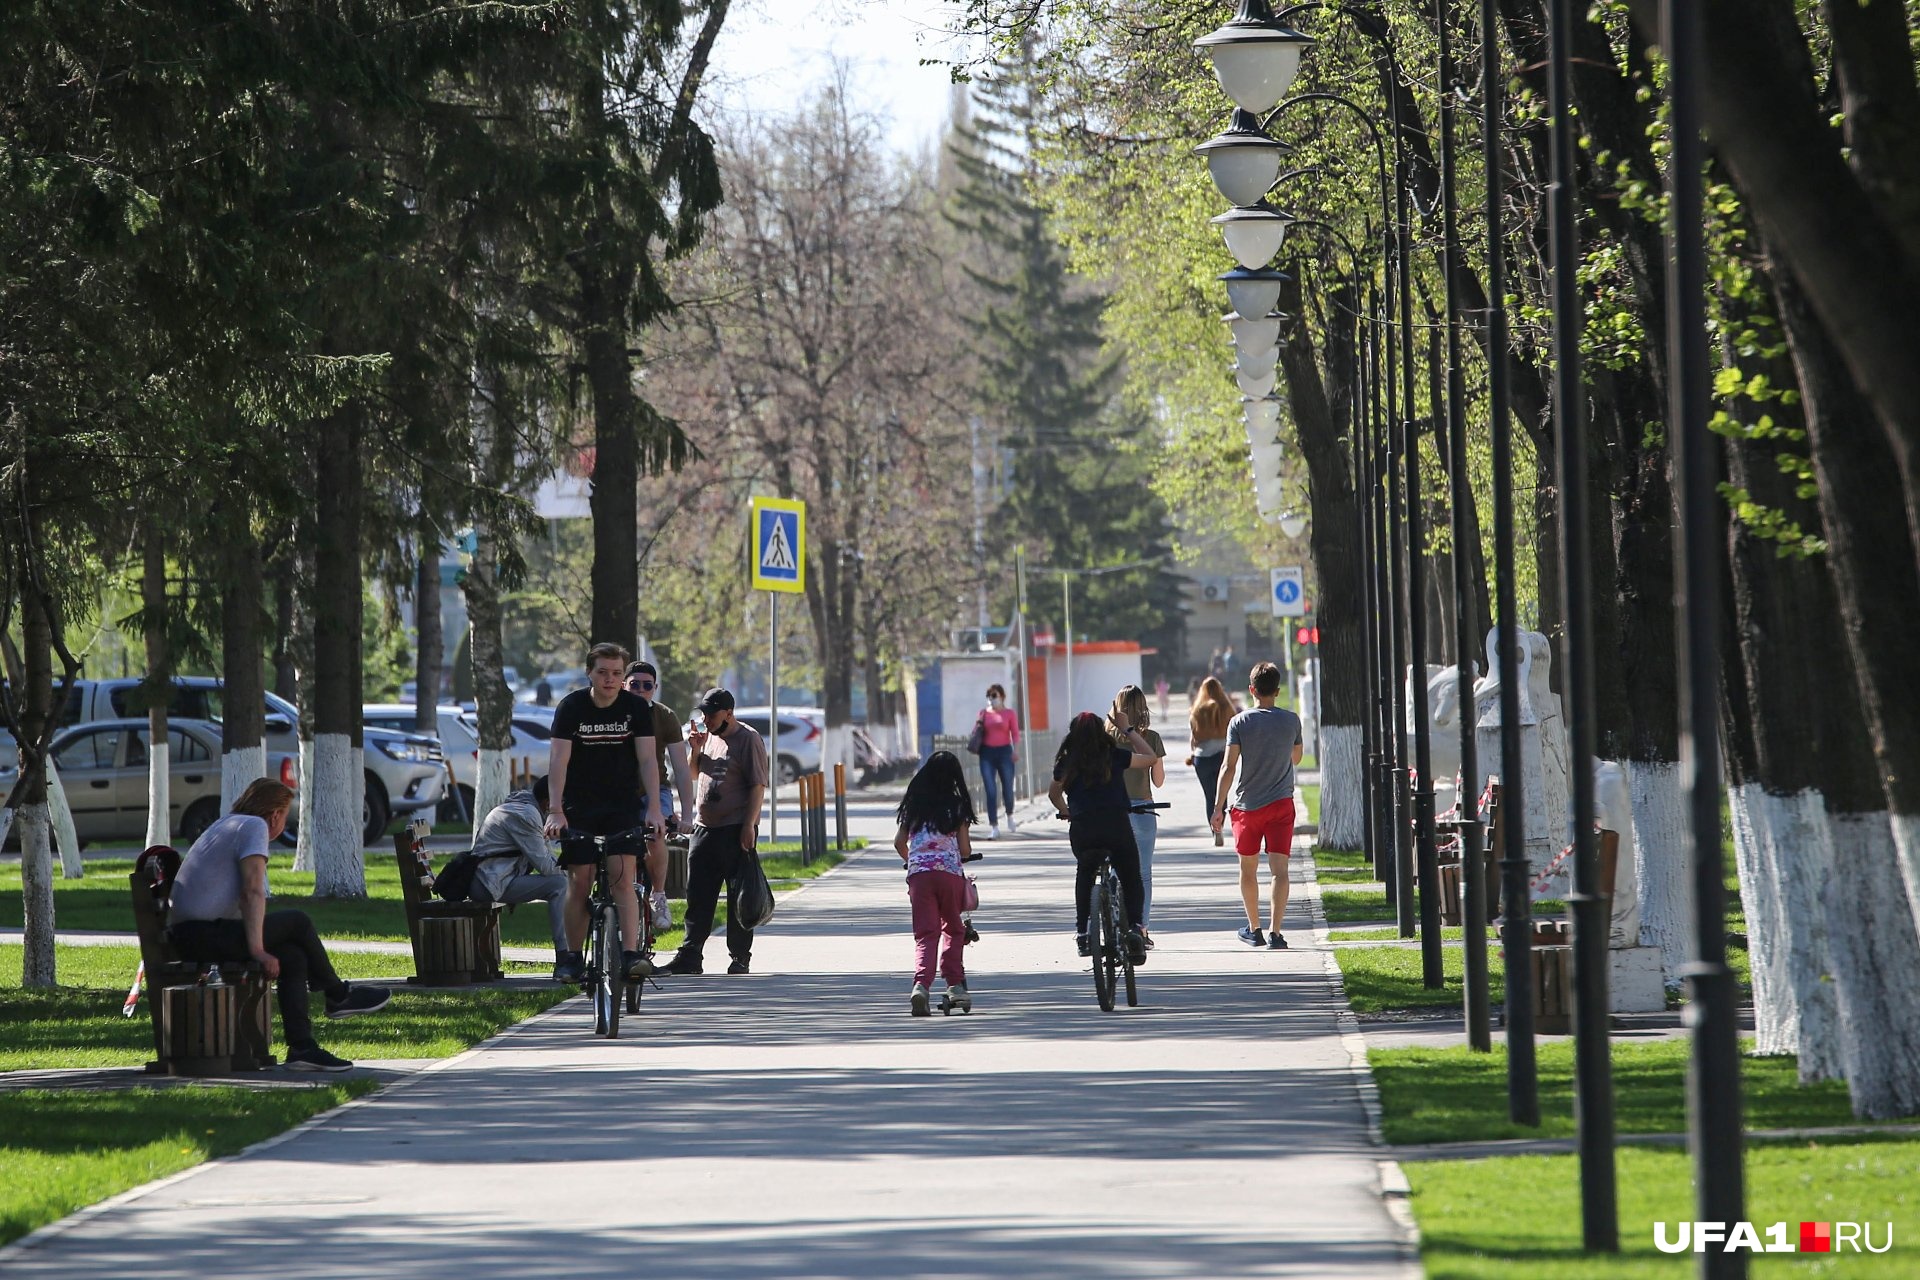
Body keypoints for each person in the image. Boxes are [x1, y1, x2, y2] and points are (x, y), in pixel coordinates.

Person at [167, 779, 389, 1072]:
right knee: (298, 921)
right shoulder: (253, 827)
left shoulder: (228, 823)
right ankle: (338, 995)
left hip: (193, 934)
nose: (284, 822)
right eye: (285, 816)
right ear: (274, 815)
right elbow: (252, 891)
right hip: (200, 935)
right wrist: (258, 950)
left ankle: (302, 1048)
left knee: (293, 956)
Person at [544, 642, 664, 984]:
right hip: (579, 805)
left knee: (621, 877)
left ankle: (630, 955)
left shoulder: (635, 709)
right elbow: (558, 761)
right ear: (589, 673)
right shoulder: (572, 707)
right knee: (579, 881)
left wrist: (653, 808)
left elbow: (647, 761)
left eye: (616, 673)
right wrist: (555, 811)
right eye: (603, 673)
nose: (610, 680)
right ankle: (570, 958)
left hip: (622, 805)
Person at [660, 687, 769, 976]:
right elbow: (695, 774)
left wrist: (749, 825)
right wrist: (695, 749)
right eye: (704, 714)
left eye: (712, 714)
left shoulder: (748, 739)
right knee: (698, 894)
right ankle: (690, 955)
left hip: (735, 829)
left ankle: (740, 957)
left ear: (729, 712)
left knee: (738, 897)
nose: (706, 719)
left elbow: (758, 785)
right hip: (704, 828)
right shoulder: (708, 738)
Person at [1048, 711, 1156, 963]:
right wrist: (1128, 730)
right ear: (1102, 733)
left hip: (1084, 830)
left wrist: (1066, 812)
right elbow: (1150, 758)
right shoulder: (1114, 755)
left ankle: (1083, 934)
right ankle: (1136, 929)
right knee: (1131, 876)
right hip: (1116, 827)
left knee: (1085, 873)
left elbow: (1054, 794)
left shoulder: (1067, 762)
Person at [1210, 661, 1305, 949]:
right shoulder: (1291, 720)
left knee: (1248, 870)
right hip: (1281, 805)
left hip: (1247, 808)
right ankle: (1277, 933)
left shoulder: (1239, 723)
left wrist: (1218, 807)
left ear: (1252, 689)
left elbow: (1228, 767)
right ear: (1277, 691)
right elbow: (1296, 758)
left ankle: (1255, 929)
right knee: (1280, 871)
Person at [893, 750, 976, 1016]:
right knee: (953, 928)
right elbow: (964, 849)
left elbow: (898, 842)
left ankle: (920, 986)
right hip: (949, 874)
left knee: (926, 934)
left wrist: (913, 859)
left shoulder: (915, 804)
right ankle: (955, 986)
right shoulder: (957, 805)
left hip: (919, 876)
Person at [471, 780, 572, 979]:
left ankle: (567, 954)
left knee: (562, 882)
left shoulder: (525, 809)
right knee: (560, 885)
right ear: (548, 803)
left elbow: (545, 858)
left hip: (496, 879)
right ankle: (564, 958)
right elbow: (545, 866)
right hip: (490, 884)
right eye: (562, 803)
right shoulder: (526, 815)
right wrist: (576, 876)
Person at [625, 659, 694, 931]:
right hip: (619, 792)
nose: (640, 690)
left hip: (656, 790)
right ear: (623, 685)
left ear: (655, 688)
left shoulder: (665, 716)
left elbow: (680, 767)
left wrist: (687, 815)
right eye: (634, 685)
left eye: (646, 686)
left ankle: (659, 895)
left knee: (656, 833)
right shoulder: (613, 711)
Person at [1108, 686, 1165, 945]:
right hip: (1143, 809)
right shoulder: (1151, 738)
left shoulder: (1106, 740)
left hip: (1114, 811)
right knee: (1143, 873)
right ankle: (1140, 929)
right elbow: (1159, 781)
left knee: (1114, 870)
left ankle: (1113, 919)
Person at [1187, 676, 1237, 847]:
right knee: (1220, 795)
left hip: (1202, 758)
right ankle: (1220, 824)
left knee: (1209, 796)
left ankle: (1216, 831)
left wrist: (1192, 753)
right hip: (1222, 756)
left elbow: (1193, 738)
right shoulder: (1227, 709)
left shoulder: (1197, 710)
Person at [976, 683, 1020, 839]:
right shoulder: (983, 713)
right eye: (989, 696)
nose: (991, 699)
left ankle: (1009, 815)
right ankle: (994, 826)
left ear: (1002, 697)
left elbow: (1014, 733)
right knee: (990, 790)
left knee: (1008, 787)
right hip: (987, 753)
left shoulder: (1009, 714)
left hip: (1005, 752)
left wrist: (1015, 750)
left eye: (994, 695)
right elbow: (978, 732)